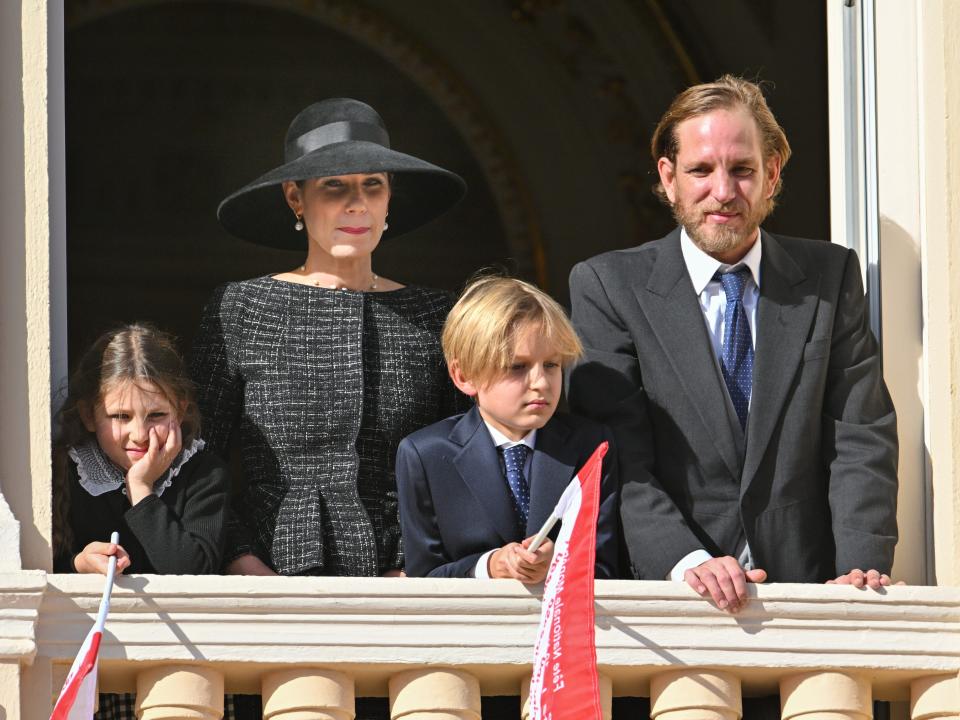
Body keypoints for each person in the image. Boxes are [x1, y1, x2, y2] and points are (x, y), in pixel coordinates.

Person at [568, 75, 898, 612]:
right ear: (668, 177)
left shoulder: (829, 277)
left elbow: (860, 434)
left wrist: (860, 569)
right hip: (668, 606)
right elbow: (615, 456)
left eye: (742, 170)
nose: (723, 192)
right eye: (701, 170)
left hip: (811, 598)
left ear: (771, 175)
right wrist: (685, 559)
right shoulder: (608, 287)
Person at [192, 98, 468, 577]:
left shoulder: (436, 315)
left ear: (388, 199)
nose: (355, 203)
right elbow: (197, 455)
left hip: (410, 580)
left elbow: (458, 457)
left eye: (372, 186)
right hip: (265, 576)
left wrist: (415, 565)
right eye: (333, 186)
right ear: (295, 198)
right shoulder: (242, 308)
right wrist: (241, 560)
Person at [397, 276, 619, 581]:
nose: (541, 383)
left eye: (552, 365)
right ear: (464, 376)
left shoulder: (590, 445)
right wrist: (489, 566)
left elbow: (610, 564)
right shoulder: (426, 454)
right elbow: (425, 575)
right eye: (517, 367)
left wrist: (560, 561)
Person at [53, 324, 227, 575]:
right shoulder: (66, 470)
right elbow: (35, 564)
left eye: (156, 415)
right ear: (88, 415)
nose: (139, 435)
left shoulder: (203, 474)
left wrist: (141, 488)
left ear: (179, 412)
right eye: (121, 416)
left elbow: (191, 572)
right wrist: (79, 563)